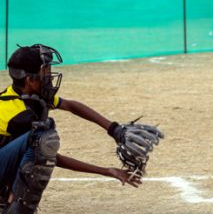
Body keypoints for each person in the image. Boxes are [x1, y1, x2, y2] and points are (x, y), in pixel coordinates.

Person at [0, 45, 144, 213]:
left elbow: (71, 105)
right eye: (45, 71)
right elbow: (50, 155)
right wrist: (107, 171)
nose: (49, 77)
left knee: (41, 137)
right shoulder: (14, 114)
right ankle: (11, 205)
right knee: (44, 137)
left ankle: (6, 198)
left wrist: (114, 129)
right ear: (29, 81)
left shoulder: (30, 97)